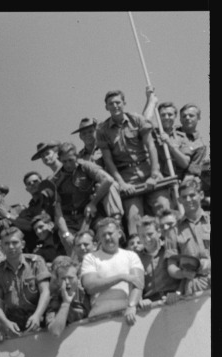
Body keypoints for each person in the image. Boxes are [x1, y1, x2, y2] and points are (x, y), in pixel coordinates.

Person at [96, 90, 163, 240]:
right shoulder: (102, 130)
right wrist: (122, 183)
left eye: (118, 102)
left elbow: (151, 146)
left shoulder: (137, 119)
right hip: (127, 177)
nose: (115, 106)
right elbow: (108, 161)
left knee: (163, 207)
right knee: (133, 217)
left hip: (147, 169)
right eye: (111, 104)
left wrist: (154, 174)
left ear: (124, 104)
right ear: (106, 107)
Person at [0, 227, 51, 338]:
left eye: (15, 242)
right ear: (2, 246)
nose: (11, 247)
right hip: (15, 325)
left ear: (22, 244)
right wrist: (6, 323)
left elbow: (45, 291)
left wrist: (37, 315)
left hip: (40, 319)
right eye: (6, 243)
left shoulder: (36, 262)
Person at [81, 218, 144, 323]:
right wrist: (121, 277)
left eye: (110, 233)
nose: (107, 237)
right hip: (99, 317)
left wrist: (131, 305)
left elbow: (138, 283)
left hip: (128, 314)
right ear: (99, 238)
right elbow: (90, 286)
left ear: (119, 233)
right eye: (103, 235)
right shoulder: (90, 258)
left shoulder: (131, 256)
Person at [46, 256, 91, 337]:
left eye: (70, 278)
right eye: (63, 278)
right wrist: (66, 303)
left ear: (78, 277)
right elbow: (55, 331)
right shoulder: (53, 300)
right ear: (57, 281)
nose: (67, 282)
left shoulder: (88, 292)